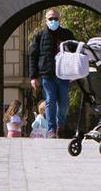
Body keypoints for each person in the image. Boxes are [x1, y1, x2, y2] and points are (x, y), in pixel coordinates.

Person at [26, 8, 74, 139]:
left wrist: (73, 74)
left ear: (60, 19)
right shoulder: (39, 36)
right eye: (50, 19)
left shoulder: (67, 34)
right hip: (47, 75)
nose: (53, 21)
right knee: (50, 101)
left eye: (55, 18)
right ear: (46, 20)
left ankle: (60, 125)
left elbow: (74, 54)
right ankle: (52, 129)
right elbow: (33, 56)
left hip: (63, 74)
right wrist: (33, 77)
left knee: (64, 103)